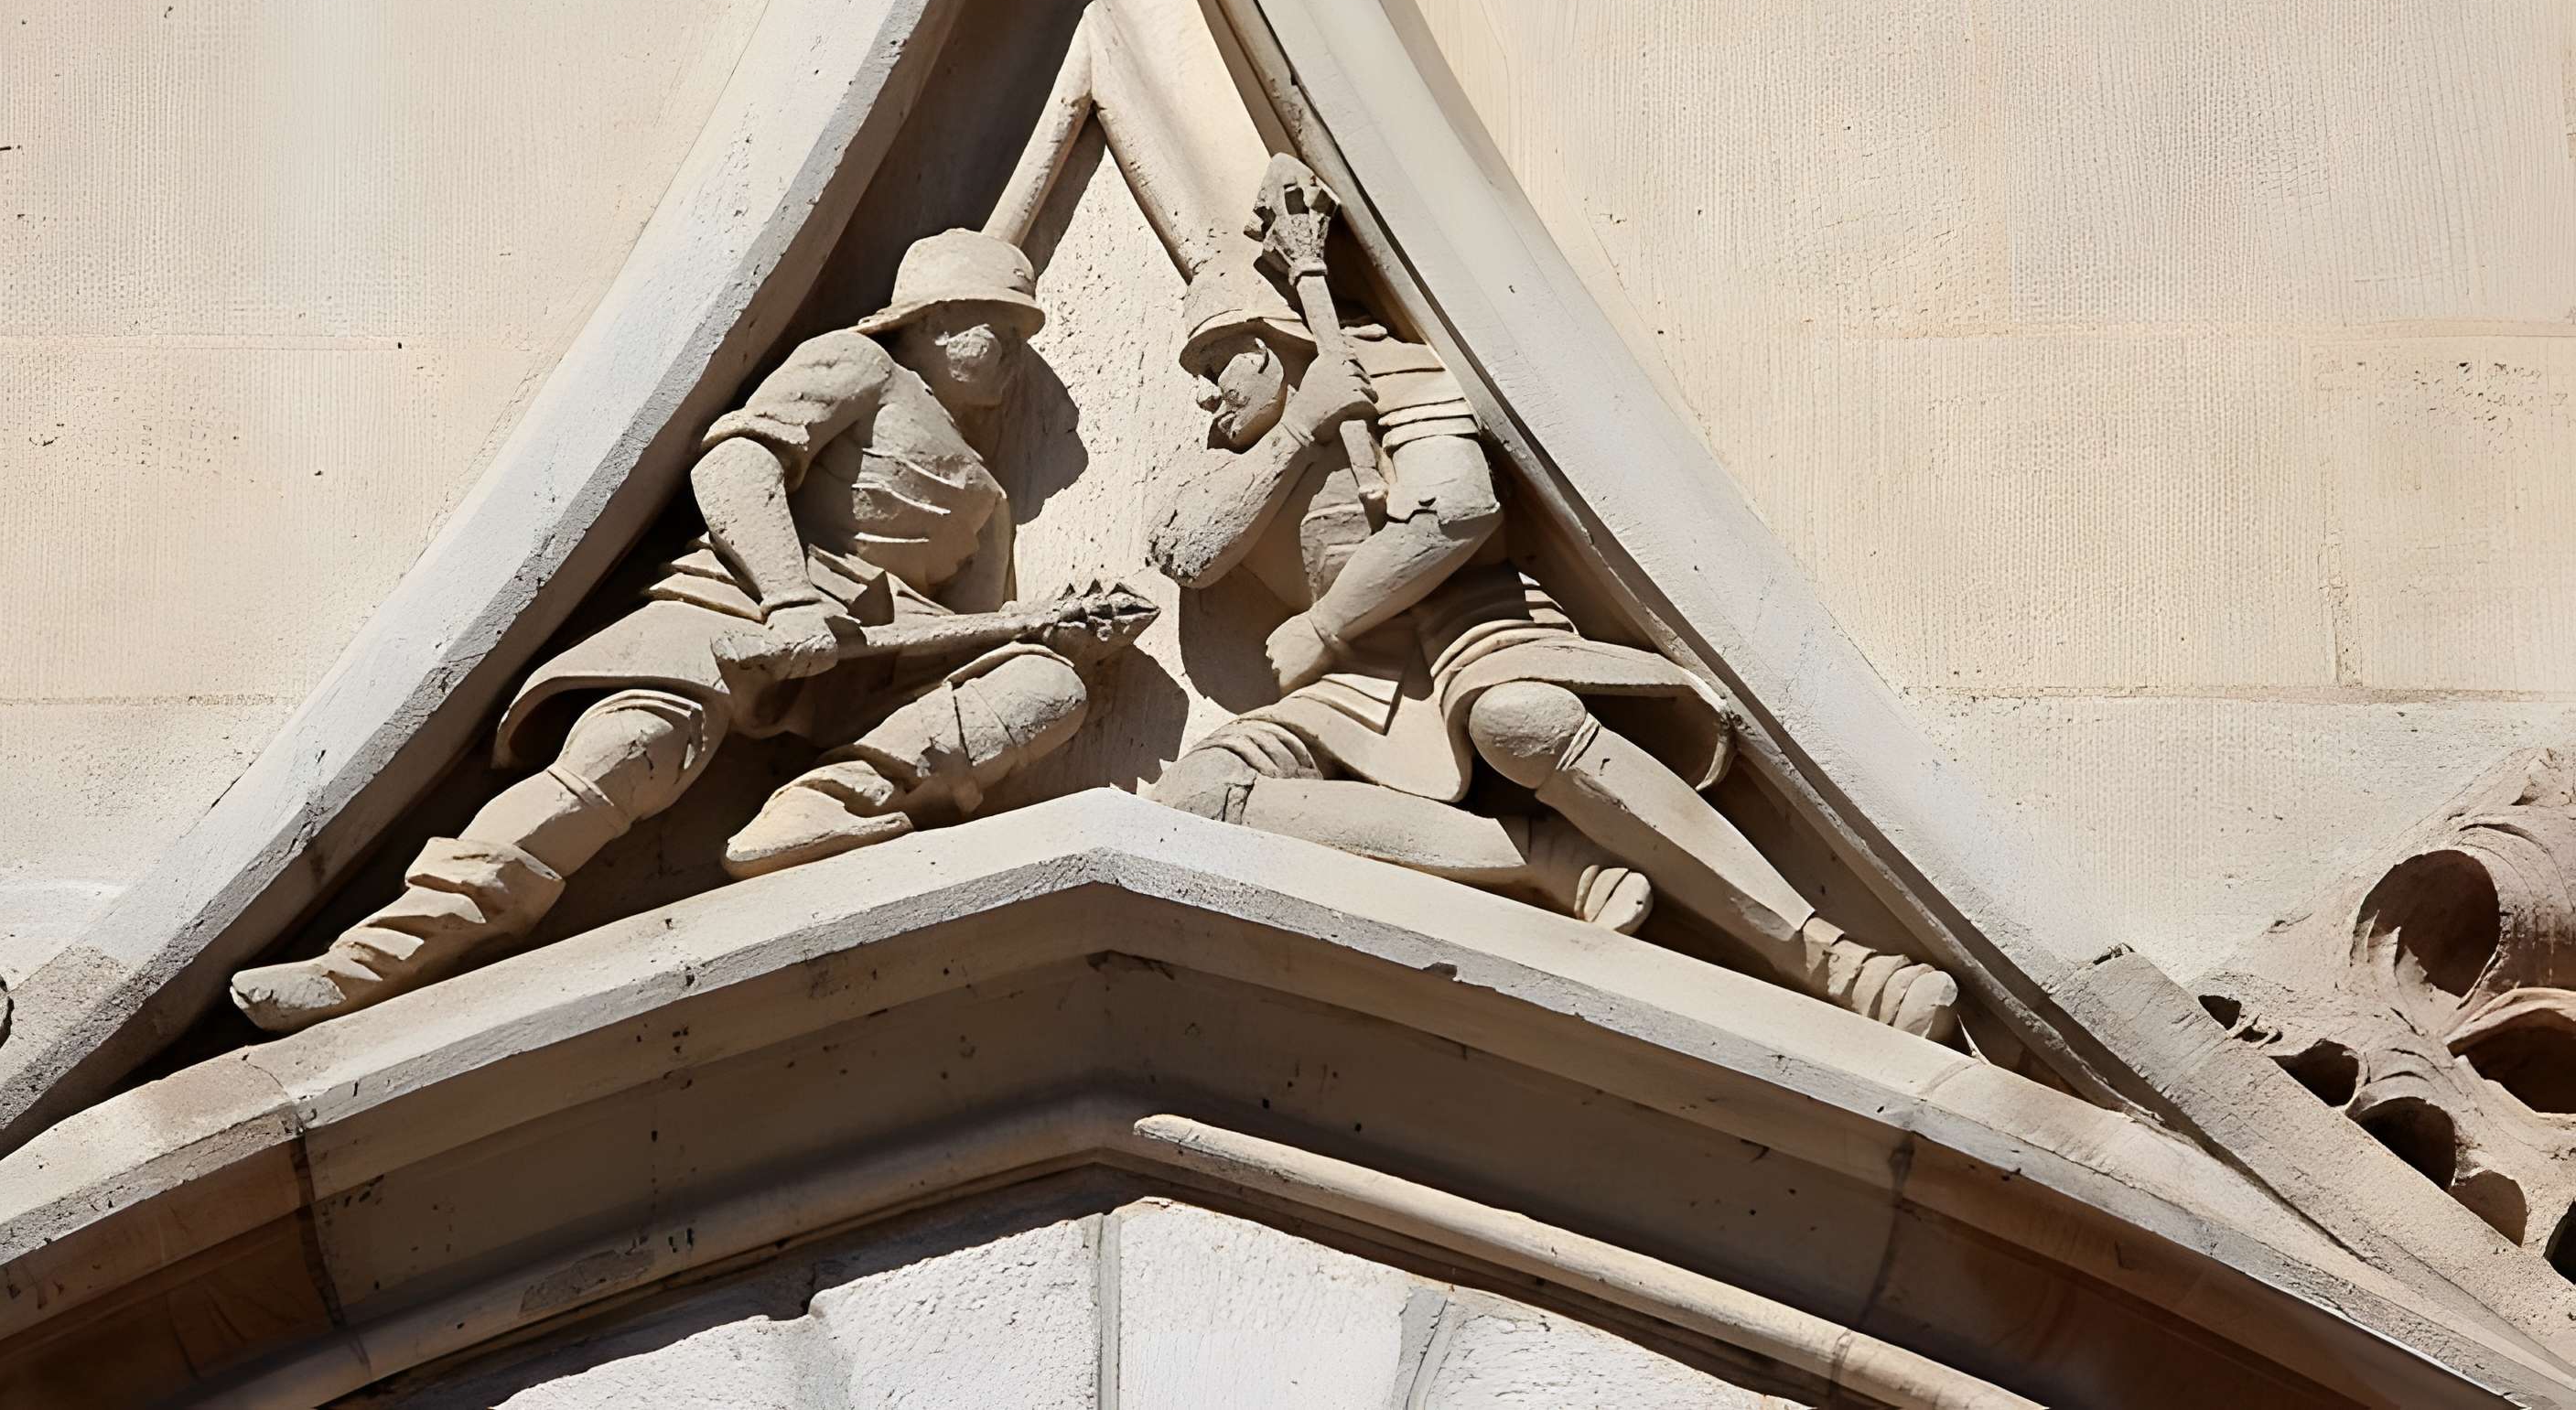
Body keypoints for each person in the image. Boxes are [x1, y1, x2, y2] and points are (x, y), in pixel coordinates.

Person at [233, 229, 1112, 1034]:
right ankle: (371, 962)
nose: (1015, 359)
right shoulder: (858, 366)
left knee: (1047, 685)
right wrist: (789, 597)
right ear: (941, 320)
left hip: (857, 677)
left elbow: (964, 647)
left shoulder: (987, 500)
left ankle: (816, 810)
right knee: (630, 753)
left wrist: (1054, 636)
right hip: (734, 611)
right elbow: (739, 462)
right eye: (1005, 330)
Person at [1144, 250, 1958, 1041]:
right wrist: (1297, 428)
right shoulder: (1244, 451)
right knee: (1199, 796)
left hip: (1469, 629)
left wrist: (1327, 622)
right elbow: (1187, 549)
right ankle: (1541, 857)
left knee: (1520, 719)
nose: (1207, 396)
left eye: (1218, 364)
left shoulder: (1391, 373)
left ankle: (1836, 962)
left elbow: (1455, 512)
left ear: (1266, 345)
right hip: (1351, 683)